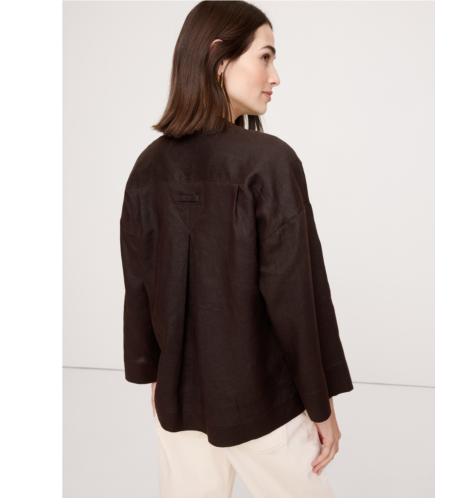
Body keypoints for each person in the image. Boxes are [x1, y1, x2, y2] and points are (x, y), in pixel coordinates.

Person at [119, 0, 354, 496]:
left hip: (178, 404)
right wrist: (321, 404)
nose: (275, 77)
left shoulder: (147, 166)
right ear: (219, 59)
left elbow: (139, 287)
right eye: (265, 57)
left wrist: (158, 374)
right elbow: (296, 297)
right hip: (262, 403)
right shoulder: (269, 162)